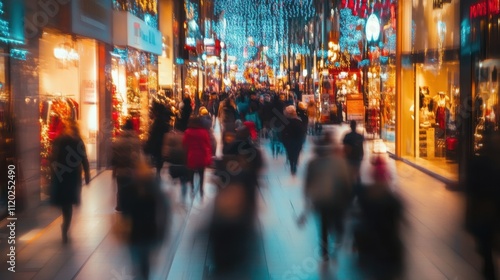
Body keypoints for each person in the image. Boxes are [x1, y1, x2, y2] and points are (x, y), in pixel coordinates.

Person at [298, 131, 351, 261]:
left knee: (323, 225)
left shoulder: (312, 163)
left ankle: (324, 250)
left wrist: (306, 203)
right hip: (336, 199)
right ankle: (337, 242)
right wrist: (349, 197)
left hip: (320, 200)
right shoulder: (340, 162)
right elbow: (346, 181)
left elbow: (308, 183)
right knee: (338, 222)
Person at [354, 155, 405, 280]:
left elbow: (360, 212)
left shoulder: (365, 195)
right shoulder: (392, 199)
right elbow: (398, 217)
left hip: (371, 240)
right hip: (388, 242)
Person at [122, 161, 170, 280]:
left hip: (134, 232)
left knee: (137, 259)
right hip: (150, 230)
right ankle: (144, 275)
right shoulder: (154, 187)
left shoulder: (128, 189)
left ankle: (140, 275)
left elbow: (124, 211)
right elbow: (164, 209)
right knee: (145, 260)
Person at [465, 131, 500, 280]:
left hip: (484, 212)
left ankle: (488, 268)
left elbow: (471, 186)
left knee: (485, 244)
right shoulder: (483, 163)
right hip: (488, 211)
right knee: (486, 242)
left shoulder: (478, 162)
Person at [50, 119, 90, 244]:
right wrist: (87, 174)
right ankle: (65, 226)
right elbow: (84, 159)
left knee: (64, 203)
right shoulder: (78, 141)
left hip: (61, 176)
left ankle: (65, 224)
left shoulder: (59, 140)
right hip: (73, 176)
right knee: (69, 204)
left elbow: (52, 158)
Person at [112, 118, 142, 211]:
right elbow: (138, 157)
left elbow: (114, 157)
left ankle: (120, 205)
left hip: (121, 170)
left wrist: (114, 170)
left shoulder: (118, 141)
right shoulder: (136, 140)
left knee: (120, 188)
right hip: (133, 170)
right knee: (133, 188)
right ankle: (132, 204)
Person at [183, 116, 213, 198]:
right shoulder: (204, 132)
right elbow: (208, 144)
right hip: (202, 155)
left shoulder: (188, 132)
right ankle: (201, 188)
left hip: (191, 155)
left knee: (191, 173)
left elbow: (185, 144)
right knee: (201, 173)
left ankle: (192, 187)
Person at [144, 102, 169, 178]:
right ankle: (158, 173)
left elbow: (154, 134)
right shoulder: (163, 120)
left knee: (156, 158)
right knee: (159, 159)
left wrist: (148, 143)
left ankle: (156, 173)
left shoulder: (158, 121)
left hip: (157, 143)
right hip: (161, 142)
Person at [281, 105, 307, 175]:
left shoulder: (284, 122)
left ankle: (292, 163)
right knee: (296, 153)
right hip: (297, 140)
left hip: (288, 140)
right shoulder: (298, 121)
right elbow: (302, 131)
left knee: (290, 152)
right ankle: (294, 164)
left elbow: (282, 132)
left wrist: (283, 140)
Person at [343, 120, 365, 196]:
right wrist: (362, 155)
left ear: (350, 126)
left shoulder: (347, 136)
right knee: (357, 173)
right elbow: (361, 147)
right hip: (358, 156)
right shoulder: (360, 136)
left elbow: (345, 146)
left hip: (349, 157)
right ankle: (359, 191)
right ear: (356, 126)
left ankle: (350, 190)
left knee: (350, 174)